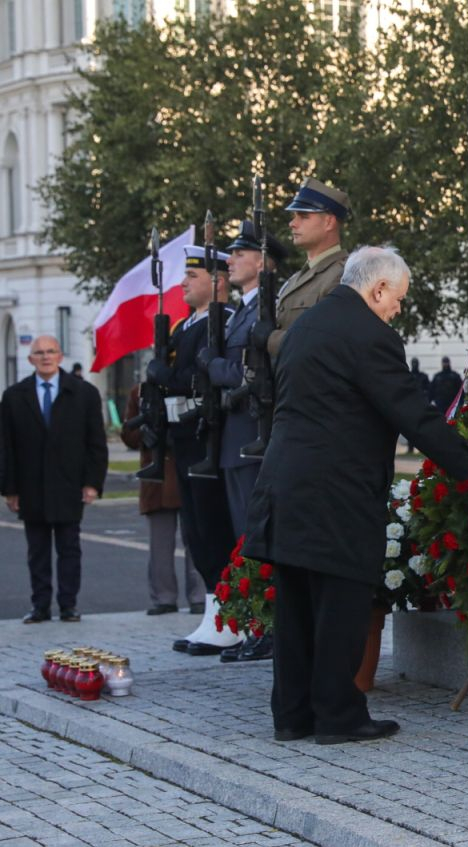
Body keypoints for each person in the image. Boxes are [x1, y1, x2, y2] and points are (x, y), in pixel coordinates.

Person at [243, 246, 468, 745]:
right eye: (399, 299)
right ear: (379, 287)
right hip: (336, 492)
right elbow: (411, 411)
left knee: (298, 608)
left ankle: (293, 716)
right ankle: (340, 717)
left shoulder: (307, 325)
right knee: (341, 606)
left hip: (286, 485)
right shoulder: (369, 335)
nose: (398, 310)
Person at [146, 245, 239, 656]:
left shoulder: (223, 323)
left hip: (207, 435)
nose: (183, 283)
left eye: (192, 277)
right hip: (182, 438)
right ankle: (213, 613)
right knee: (195, 530)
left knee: (213, 525)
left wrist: (165, 374)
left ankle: (229, 618)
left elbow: (199, 377)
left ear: (217, 282)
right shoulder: (186, 326)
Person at [202, 218, 286, 663]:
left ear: (262, 260)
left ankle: (270, 626)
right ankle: (256, 624)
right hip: (236, 439)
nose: (230, 260)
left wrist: (214, 367)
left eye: (239, 254)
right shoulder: (243, 310)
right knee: (243, 535)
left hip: (254, 436)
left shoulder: (265, 309)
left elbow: (255, 375)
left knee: (258, 533)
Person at [1, 336, 108, 624]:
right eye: (39, 353)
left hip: (69, 483)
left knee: (69, 548)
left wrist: (92, 483)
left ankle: (69, 605)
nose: (45, 357)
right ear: (30, 359)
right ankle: (40, 606)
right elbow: (6, 447)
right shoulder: (14, 396)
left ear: (60, 356)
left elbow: (96, 443)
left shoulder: (83, 393)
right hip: (30, 485)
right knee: (37, 551)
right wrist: (9, 489)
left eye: (51, 352)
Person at [121, 383, 202, 615]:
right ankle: (164, 597)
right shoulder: (140, 391)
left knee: (195, 541)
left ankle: (198, 595)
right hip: (157, 480)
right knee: (160, 546)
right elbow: (128, 433)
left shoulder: (193, 385)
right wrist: (143, 433)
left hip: (187, 471)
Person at [261, 177, 350, 358]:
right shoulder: (294, 280)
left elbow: (325, 341)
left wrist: (270, 339)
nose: (292, 223)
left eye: (303, 216)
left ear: (329, 222)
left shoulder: (344, 274)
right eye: (294, 216)